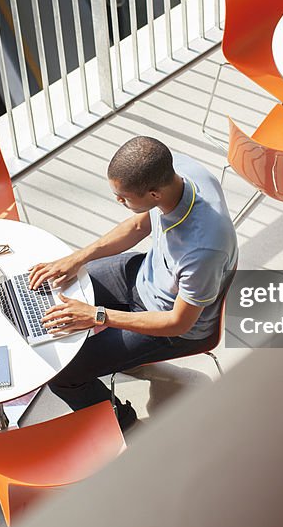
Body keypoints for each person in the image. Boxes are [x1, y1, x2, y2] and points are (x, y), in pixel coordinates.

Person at [29, 136, 237, 429]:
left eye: (124, 197)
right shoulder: (177, 171)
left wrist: (97, 316)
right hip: (146, 275)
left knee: (64, 376)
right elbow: (140, 224)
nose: (119, 201)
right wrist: (79, 257)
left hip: (171, 323)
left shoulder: (203, 249)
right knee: (57, 287)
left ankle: (121, 424)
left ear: (153, 195)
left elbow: (179, 323)